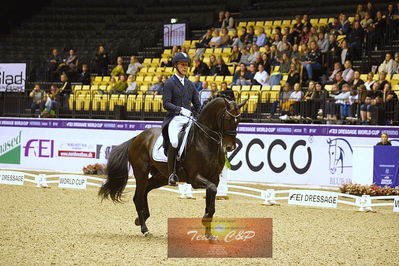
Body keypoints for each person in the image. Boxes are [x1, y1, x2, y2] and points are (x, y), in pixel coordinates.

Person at [162, 52, 201, 186]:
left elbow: (197, 105)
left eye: (186, 65)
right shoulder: (169, 83)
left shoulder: (190, 84)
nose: (185, 67)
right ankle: (172, 174)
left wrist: (202, 114)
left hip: (189, 118)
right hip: (175, 118)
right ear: (176, 66)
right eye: (182, 65)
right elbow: (166, 103)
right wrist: (179, 109)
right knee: (174, 142)